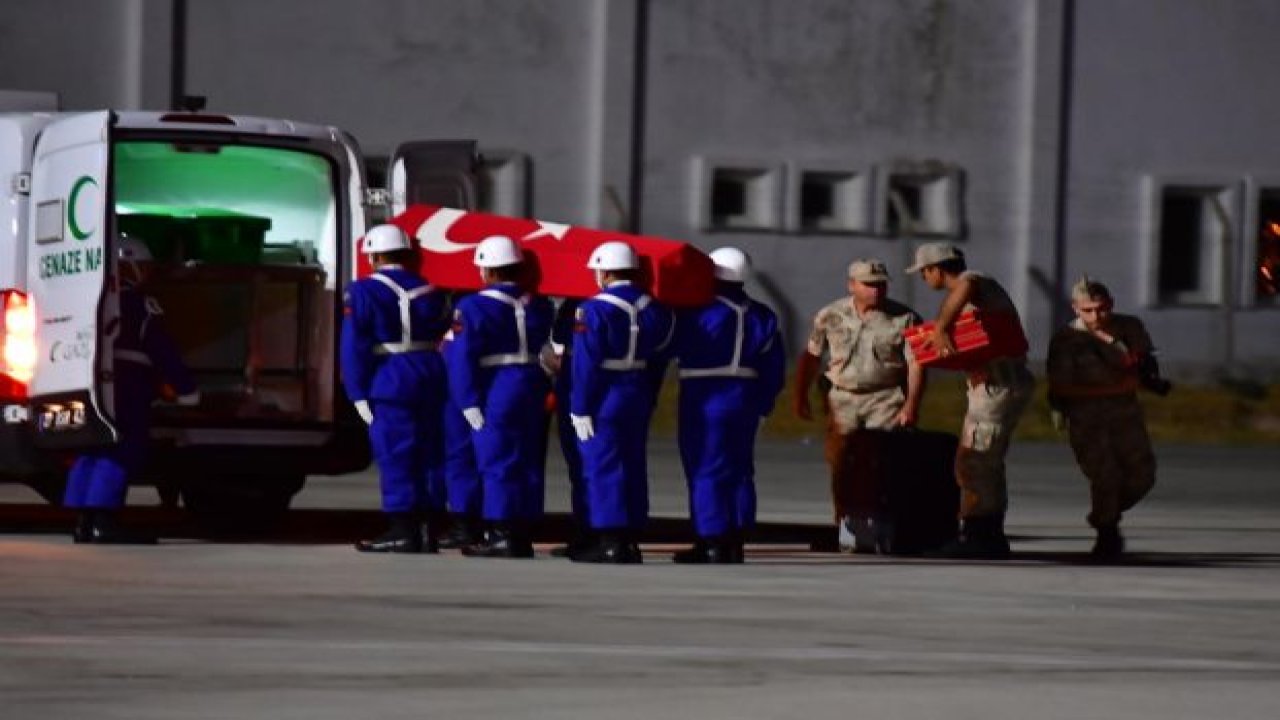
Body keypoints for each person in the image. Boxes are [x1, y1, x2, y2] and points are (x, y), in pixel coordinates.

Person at [64, 234, 200, 544]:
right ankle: (103, 519)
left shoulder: (86, 297)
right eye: (143, 266)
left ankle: (84, 520)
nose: (147, 273)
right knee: (122, 449)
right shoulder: (140, 305)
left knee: (91, 446)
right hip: (128, 385)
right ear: (128, 265)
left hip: (88, 380)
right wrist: (186, 391)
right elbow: (163, 350)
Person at [907, 242, 1034, 559]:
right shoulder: (974, 299)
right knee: (983, 461)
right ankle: (986, 532)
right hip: (990, 385)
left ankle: (980, 535)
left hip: (997, 387)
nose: (925, 279)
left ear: (935, 269)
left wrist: (941, 327)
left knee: (974, 460)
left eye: (924, 272)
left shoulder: (974, 281)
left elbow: (966, 283)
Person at [793, 258, 925, 552]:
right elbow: (812, 356)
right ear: (851, 285)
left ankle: (883, 528)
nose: (876, 291)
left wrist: (911, 405)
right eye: (868, 284)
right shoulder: (831, 315)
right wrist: (799, 395)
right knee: (842, 464)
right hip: (843, 397)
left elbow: (917, 365)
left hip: (886, 397)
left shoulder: (905, 318)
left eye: (880, 284)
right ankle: (845, 527)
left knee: (882, 464)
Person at [341, 224, 451, 554]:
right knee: (432, 453)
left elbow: (354, 346)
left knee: (396, 453)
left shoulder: (362, 291)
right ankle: (429, 527)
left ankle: (402, 529)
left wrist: (357, 392)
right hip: (430, 370)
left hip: (391, 377)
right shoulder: (431, 289)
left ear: (373, 255)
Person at [672, 247, 785, 564]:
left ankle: (712, 539)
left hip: (705, 394)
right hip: (745, 396)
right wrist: (764, 404)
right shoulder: (763, 314)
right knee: (739, 468)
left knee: (706, 467)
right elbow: (773, 368)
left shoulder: (697, 311)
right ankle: (736, 536)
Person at [445, 235, 554, 558]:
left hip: (498, 385)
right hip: (533, 381)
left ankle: (502, 533)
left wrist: (467, 401)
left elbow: (463, 358)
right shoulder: (540, 303)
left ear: (488, 271)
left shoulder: (473, 306)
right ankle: (524, 528)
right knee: (529, 458)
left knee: (497, 460)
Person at [569, 241, 674, 564]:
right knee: (632, 464)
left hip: (605, 393)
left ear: (605, 271)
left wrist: (580, 406)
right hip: (637, 388)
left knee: (603, 465)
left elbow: (585, 363)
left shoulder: (594, 309)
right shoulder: (656, 309)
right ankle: (629, 538)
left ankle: (610, 540)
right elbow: (660, 357)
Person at [1047, 276, 1165, 559]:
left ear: (1110, 304)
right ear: (1076, 308)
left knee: (1142, 476)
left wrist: (1147, 376)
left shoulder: (1129, 327)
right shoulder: (1067, 340)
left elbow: (1144, 360)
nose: (1096, 316)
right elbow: (1061, 387)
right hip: (1087, 417)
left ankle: (1104, 512)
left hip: (1125, 414)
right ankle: (1107, 532)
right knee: (1105, 476)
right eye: (1087, 310)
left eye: (1101, 308)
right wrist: (1115, 387)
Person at [546, 297, 593, 559]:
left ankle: (592, 533)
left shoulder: (587, 308)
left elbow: (561, 334)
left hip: (581, 383)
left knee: (584, 467)